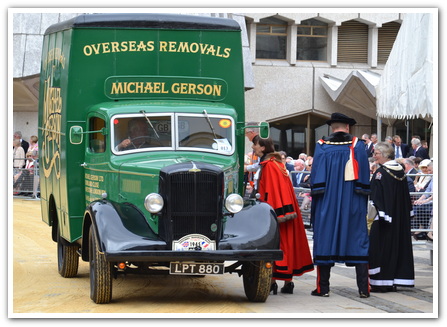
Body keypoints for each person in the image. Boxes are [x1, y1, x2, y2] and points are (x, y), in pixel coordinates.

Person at [310, 113, 370, 298]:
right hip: (352, 199)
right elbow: (364, 176)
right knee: (357, 238)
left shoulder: (321, 146)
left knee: (325, 238)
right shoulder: (357, 145)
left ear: (332, 127)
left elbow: (316, 176)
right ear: (348, 127)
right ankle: (363, 290)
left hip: (327, 200)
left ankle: (324, 289)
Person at [251, 135, 314, 294]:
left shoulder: (271, 165)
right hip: (284, 210)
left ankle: (273, 281)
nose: (253, 148)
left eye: (255, 145)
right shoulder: (274, 164)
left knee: (279, 245)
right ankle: (287, 282)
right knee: (286, 244)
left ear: (263, 148)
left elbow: (272, 191)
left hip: (277, 212)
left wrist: (271, 214)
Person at [369, 142, 415, 292]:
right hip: (399, 219)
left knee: (381, 248)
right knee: (398, 247)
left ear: (383, 155)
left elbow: (376, 197)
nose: (374, 156)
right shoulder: (401, 172)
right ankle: (395, 279)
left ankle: (382, 282)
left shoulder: (381, 173)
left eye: (376, 153)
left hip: (383, 219)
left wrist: (380, 214)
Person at [412, 161, 434, 240]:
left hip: (434, 201)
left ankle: (427, 231)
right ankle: (422, 229)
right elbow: (428, 191)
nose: (428, 172)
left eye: (430, 170)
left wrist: (425, 201)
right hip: (430, 199)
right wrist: (420, 200)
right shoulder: (433, 177)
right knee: (417, 205)